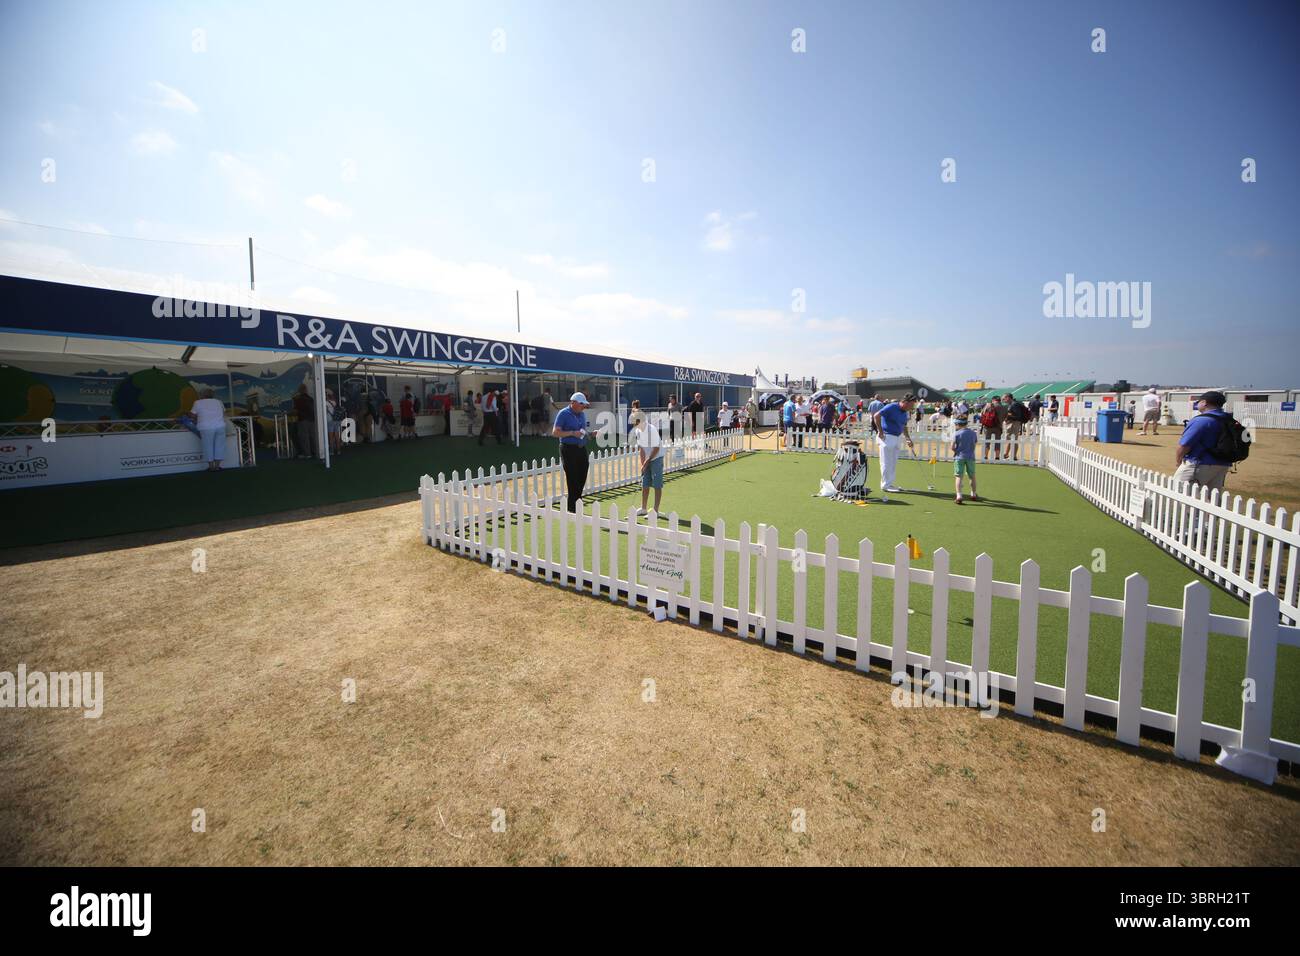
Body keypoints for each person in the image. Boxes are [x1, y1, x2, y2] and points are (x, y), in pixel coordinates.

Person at [1174, 391, 1235, 494]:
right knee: (1212, 496)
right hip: (1223, 463)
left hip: (1200, 462)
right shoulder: (1229, 419)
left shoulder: (1201, 420)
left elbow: (1185, 444)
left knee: (1179, 491)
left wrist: (1179, 460)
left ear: (1204, 402)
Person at [553, 392, 591, 511]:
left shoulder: (582, 414)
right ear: (573, 403)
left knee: (582, 474)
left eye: (584, 405)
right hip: (568, 449)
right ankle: (573, 507)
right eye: (581, 404)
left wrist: (591, 434)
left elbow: (583, 431)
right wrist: (572, 433)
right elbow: (555, 432)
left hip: (581, 448)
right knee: (573, 477)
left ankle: (576, 502)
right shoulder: (563, 413)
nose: (583, 407)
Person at [873, 393, 917, 492]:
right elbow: (876, 416)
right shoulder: (892, 406)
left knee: (892, 463)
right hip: (886, 437)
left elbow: (904, 426)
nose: (912, 407)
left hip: (897, 438)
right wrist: (880, 431)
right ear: (905, 402)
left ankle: (890, 484)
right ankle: (885, 485)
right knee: (886, 462)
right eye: (911, 404)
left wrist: (908, 438)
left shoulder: (905, 412)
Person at [633, 412, 665, 517]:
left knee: (657, 484)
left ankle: (655, 510)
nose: (635, 425)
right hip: (647, 458)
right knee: (645, 483)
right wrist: (643, 463)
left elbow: (656, 448)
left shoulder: (652, 430)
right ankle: (643, 508)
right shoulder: (638, 430)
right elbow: (642, 448)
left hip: (656, 457)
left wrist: (648, 460)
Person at [191, 387, 227, 471]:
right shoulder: (219, 402)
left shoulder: (197, 402)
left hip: (206, 427)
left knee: (208, 446)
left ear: (202, 395)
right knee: (220, 446)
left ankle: (211, 467)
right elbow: (223, 412)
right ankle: (217, 466)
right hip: (220, 426)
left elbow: (192, 415)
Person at [951, 416, 979, 504]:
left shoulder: (956, 434)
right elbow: (974, 445)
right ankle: (973, 493)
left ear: (958, 424)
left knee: (959, 476)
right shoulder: (973, 433)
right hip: (970, 456)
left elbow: (952, 447)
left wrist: (957, 451)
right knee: (972, 476)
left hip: (959, 457)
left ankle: (959, 495)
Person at [1002, 393, 1030, 460]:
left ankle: (1014, 456)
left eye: (1004, 398)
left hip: (1014, 423)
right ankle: (1006, 454)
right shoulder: (1012, 404)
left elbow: (1018, 416)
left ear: (1008, 397)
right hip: (1012, 423)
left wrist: (1008, 415)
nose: (1003, 400)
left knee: (1013, 440)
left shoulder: (1014, 404)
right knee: (1011, 439)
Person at [292, 383, 316, 459]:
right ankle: (315, 452)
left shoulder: (297, 399)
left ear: (299, 390)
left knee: (304, 437)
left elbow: (295, 411)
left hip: (303, 420)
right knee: (313, 437)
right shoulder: (311, 399)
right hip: (312, 420)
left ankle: (307, 454)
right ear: (306, 390)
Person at [979, 395, 1006, 461]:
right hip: (998, 426)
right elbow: (1005, 417)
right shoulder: (1004, 407)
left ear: (993, 400)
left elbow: (982, 414)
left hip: (988, 427)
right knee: (997, 441)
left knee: (987, 441)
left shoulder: (988, 405)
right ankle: (997, 457)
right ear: (1000, 400)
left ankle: (985, 456)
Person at [326, 388, 344, 455]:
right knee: (337, 435)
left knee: (330, 436)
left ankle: (332, 451)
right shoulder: (334, 401)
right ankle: (338, 450)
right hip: (337, 420)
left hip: (330, 420)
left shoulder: (326, 403)